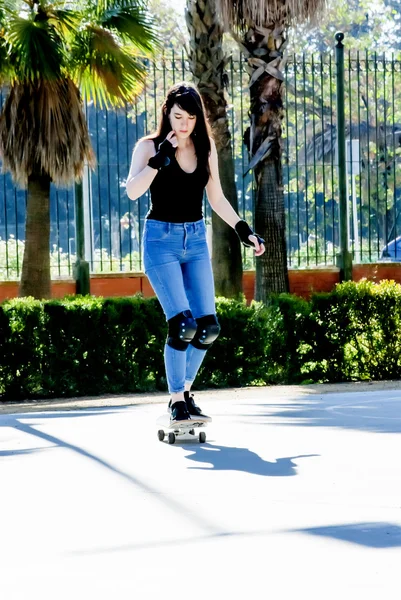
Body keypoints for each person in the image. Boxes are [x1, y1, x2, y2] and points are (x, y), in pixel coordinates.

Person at [126, 82, 265, 425]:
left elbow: (216, 198)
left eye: (190, 117)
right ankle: (175, 403)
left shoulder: (205, 150)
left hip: (196, 240)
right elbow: (132, 191)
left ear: (197, 118)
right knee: (182, 325)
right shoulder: (148, 147)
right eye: (177, 116)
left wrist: (243, 229)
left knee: (208, 327)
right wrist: (158, 162)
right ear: (166, 114)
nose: (183, 124)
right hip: (161, 240)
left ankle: (185, 392)